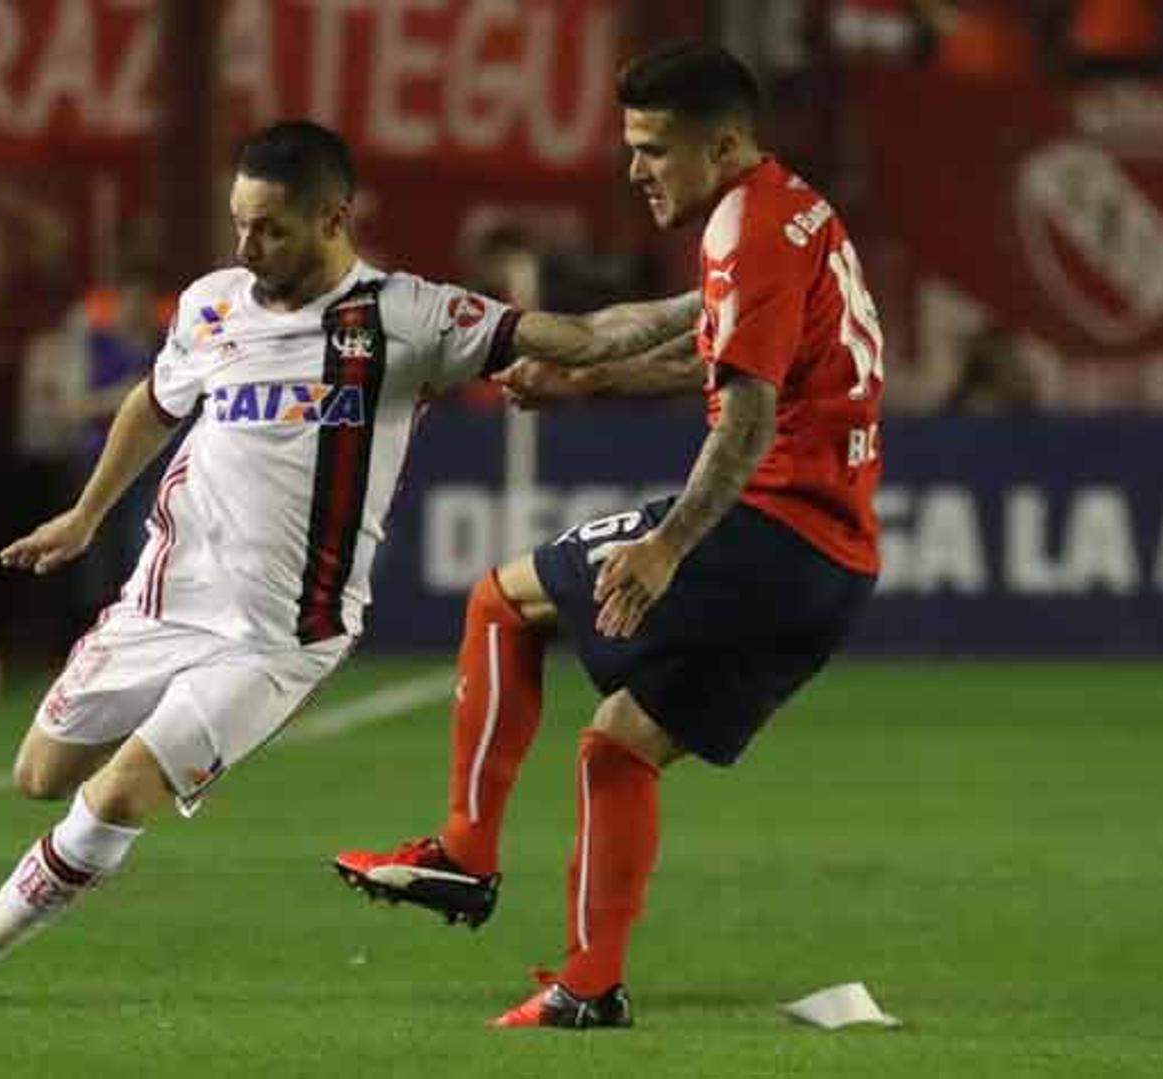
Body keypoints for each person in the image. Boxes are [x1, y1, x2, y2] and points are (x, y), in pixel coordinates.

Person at [0, 120, 701, 999]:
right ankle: (0, 916)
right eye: (239, 224)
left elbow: (583, 338)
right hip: (162, 600)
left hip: (280, 635)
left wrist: (708, 301)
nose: (248, 246)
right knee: (41, 774)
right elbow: (154, 401)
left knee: (117, 794)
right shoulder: (211, 302)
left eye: (271, 229)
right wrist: (86, 512)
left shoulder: (407, 316)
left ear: (335, 217)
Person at [332, 41, 885, 1030]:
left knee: (502, 599)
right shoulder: (791, 209)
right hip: (830, 565)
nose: (635, 170)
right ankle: (588, 986)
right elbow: (674, 333)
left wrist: (669, 542)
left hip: (766, 526)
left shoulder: (749, 232)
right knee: (620, 744)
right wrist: (584, 374)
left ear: (719, 146)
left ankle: (464, 851)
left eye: (654, 150)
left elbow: (747, 416)